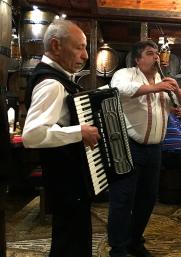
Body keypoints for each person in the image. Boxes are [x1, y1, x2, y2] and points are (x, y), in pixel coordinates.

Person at [106, 40, 181, 257]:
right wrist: (157, 87)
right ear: (138, 58)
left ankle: (135, 241)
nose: (156, 57)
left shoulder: (164, 80)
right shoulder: (125, 74)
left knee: (147, 199)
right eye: (150, 53)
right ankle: (117, 248)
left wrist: (177, 90)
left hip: (155, 150)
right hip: (129, 147)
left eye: (157, 54)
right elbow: (119, 89)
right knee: (123, 198)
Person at [22, 19, 100, 257]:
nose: (85, 55)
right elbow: (31, 136)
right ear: (56, 45)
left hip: (66, 181)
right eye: (79, 47)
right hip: (66, 182)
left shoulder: (57, 78)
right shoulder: (52, 84)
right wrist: (80, 132)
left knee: (69, 240)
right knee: (71, 245)